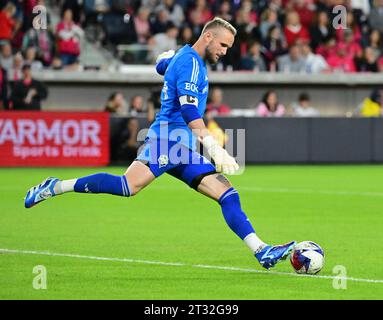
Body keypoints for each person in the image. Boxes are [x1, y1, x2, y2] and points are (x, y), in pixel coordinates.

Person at [24, 17, 295, 270]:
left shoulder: (186, 58)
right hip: (167, 141)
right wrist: (214, 148)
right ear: (208, 36)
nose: (225, 51)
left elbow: (162, 66)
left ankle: (262, 251)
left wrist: (164, 61)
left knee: (227, 194)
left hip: (183, 146)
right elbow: (190, 112)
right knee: (127, 187)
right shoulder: (189, 63)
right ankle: (55, 186)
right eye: (223, 44)